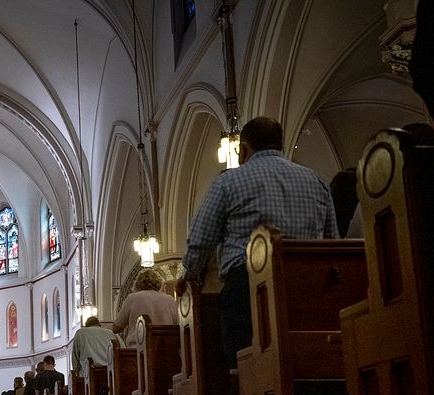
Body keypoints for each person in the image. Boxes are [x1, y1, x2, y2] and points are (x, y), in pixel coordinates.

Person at [175, 116, 337, 368]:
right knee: (304, 359)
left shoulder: (228, 182)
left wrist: (189, 276)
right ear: (279, 145)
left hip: (246, 286)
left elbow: (201, 239)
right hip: (304, 285)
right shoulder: (316, 182)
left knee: (248, 364)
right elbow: (332, 244)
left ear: (243, 149)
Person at [113, 268, 178, 348]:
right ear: (159, 283)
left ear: (138, 283)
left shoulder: (133, 298)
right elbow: (177, 326)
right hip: (166, 349)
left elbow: (117, 327)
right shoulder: (170, 300)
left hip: (138, 350)